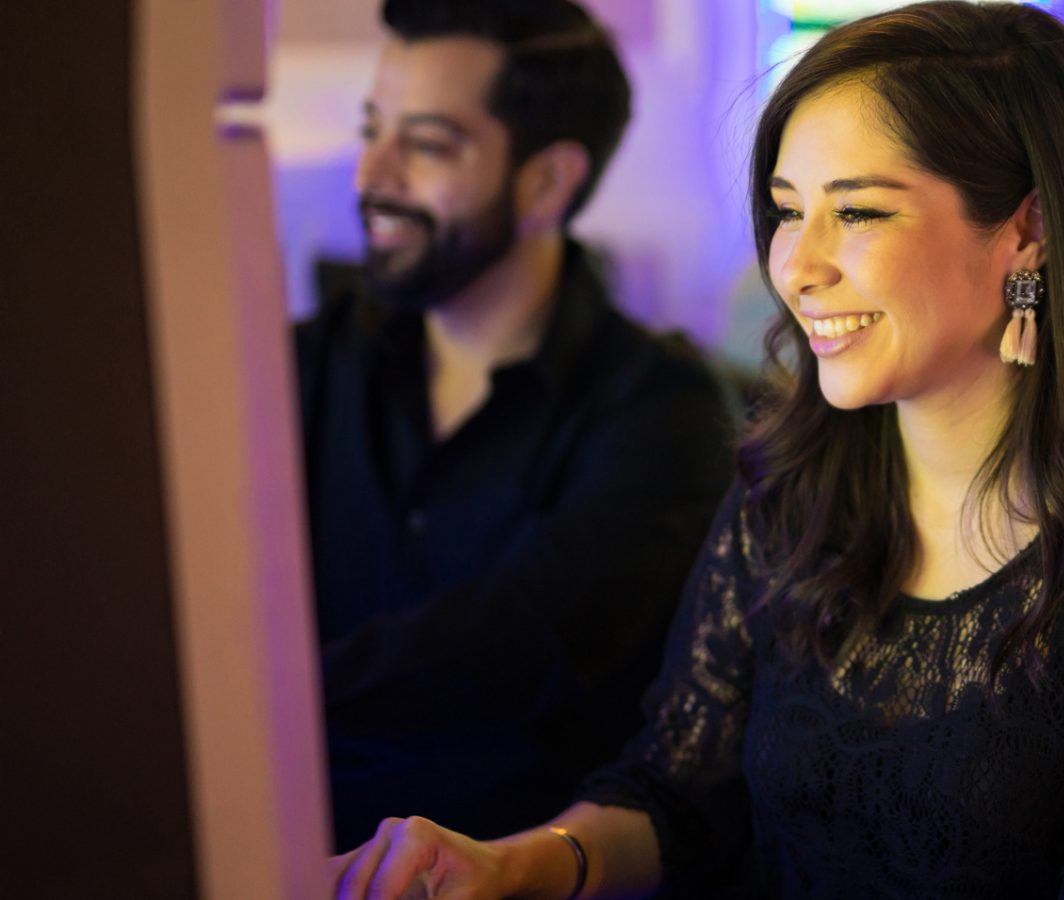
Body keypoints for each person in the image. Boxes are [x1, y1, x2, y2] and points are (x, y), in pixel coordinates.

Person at [328, 2, 1064, 897]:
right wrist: (510, 865)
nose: (796, 264)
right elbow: (676, 794)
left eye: (861, 211)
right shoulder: (789, 490)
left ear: (1031, 227)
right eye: (791, 208)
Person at [297, 0, 737, 851]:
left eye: (426, 145)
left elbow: (513, 645)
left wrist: (257, 702)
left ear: (546, 182)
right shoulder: (298, 370)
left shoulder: (662, 412)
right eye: (373, 129)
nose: (370, 174)